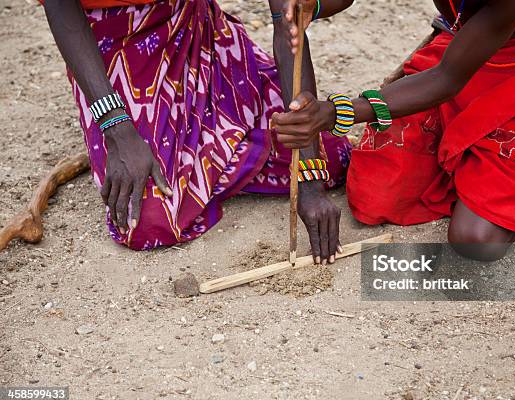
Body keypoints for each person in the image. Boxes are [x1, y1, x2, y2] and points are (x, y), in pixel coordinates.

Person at [272, 0, 515, 261]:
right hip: (467, 44)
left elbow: (447, 79)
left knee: (476, 241)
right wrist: (304, 7)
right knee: (374, 197)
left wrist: (334, 112)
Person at [42, 0, 352, 263]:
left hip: (192, 29)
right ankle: (209, 148)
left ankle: (208, 150)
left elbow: (289, 18)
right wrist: (116, 128)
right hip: (112, 40)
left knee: (333, 157)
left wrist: (309, 179)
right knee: (149, 219)